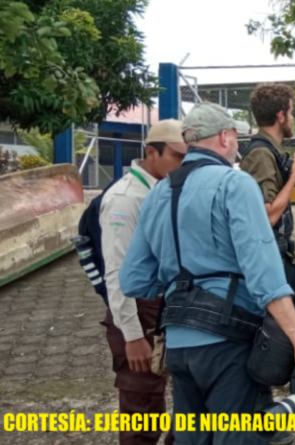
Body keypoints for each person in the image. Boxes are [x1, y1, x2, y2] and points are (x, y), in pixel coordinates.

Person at [120, 103, 295, 445]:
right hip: (226, 344)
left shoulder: (159, 191)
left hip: (179, 347)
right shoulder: (235, 184)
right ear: (225, 137)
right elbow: (265, 277)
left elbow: (133, 280)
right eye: (236, 139)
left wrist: (179, 275)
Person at [99, 119, 186, 445]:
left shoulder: (167, 188)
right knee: (142, 405)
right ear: (152, 152)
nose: (183, 163)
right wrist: (132, 335)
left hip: (168, 304)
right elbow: (116, 273)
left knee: (186, 396)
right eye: (177, 156)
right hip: (139, 309)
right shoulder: (126, 198)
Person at [239, 83, 295, 353]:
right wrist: (294, 177)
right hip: (272, 255)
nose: (292, 118)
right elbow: (267, 215)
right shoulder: (262, 155)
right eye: (290, 112)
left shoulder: (267, 151)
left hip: (277, 254)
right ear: (280, 116)